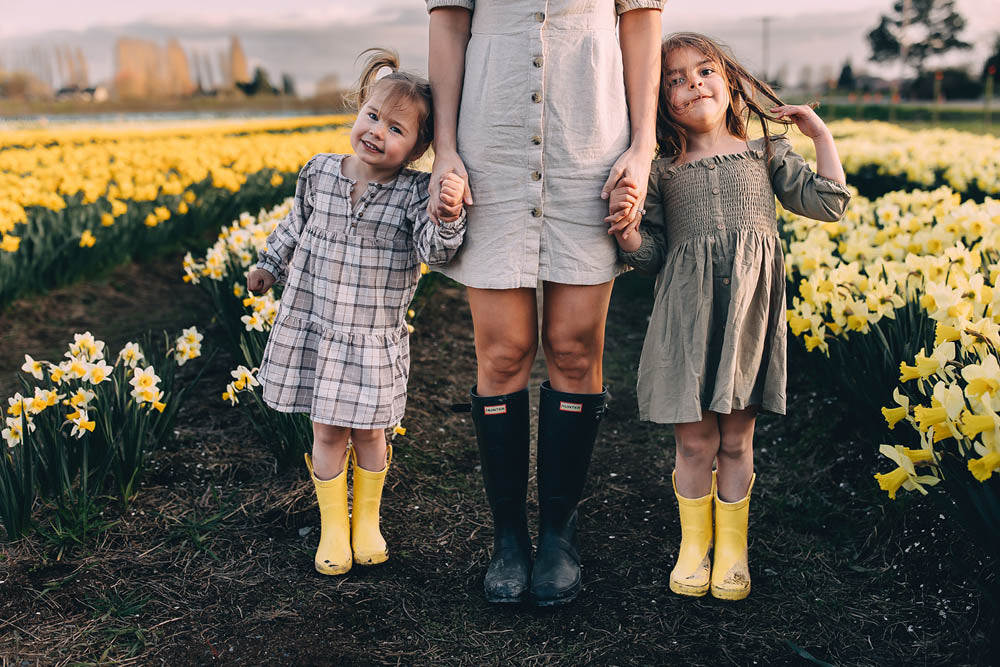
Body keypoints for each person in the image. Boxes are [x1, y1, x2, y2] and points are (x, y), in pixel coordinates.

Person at [425, 1, 665, 606]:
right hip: (491, 149)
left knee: (574, 349)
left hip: (590, 146)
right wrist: (445, 150)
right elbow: (450, 22)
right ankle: (508, 539)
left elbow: (640, 22)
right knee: (503, 353)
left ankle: (558, 535)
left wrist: (642, 146)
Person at [608, 32, 851, 600]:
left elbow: (830, 203)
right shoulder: (662, 171)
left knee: (737, 440)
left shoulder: (766, 153)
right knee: (694, 443)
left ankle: (733, 550)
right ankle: (695, 548)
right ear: (659, 101)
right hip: (688, 319)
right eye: (674, 79)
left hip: (746, 316)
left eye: (703, 71)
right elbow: (653, 256)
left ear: (729, 80)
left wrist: (818, 133)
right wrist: (627, 233)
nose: (692, 84)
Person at [246, 49, 468, 576]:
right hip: (319, 328)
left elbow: (436, 252)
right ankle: (333, 527)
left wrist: (450, 212)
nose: (376, 132)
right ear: (358, 110)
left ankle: (366, 520)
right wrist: (268, 264)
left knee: (371, 433)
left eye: (396, 128)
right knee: (326, 433)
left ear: (419, 146)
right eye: (372, 116)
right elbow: (294, 225)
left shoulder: (417, 194)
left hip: (370, 335)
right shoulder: (320, 173)